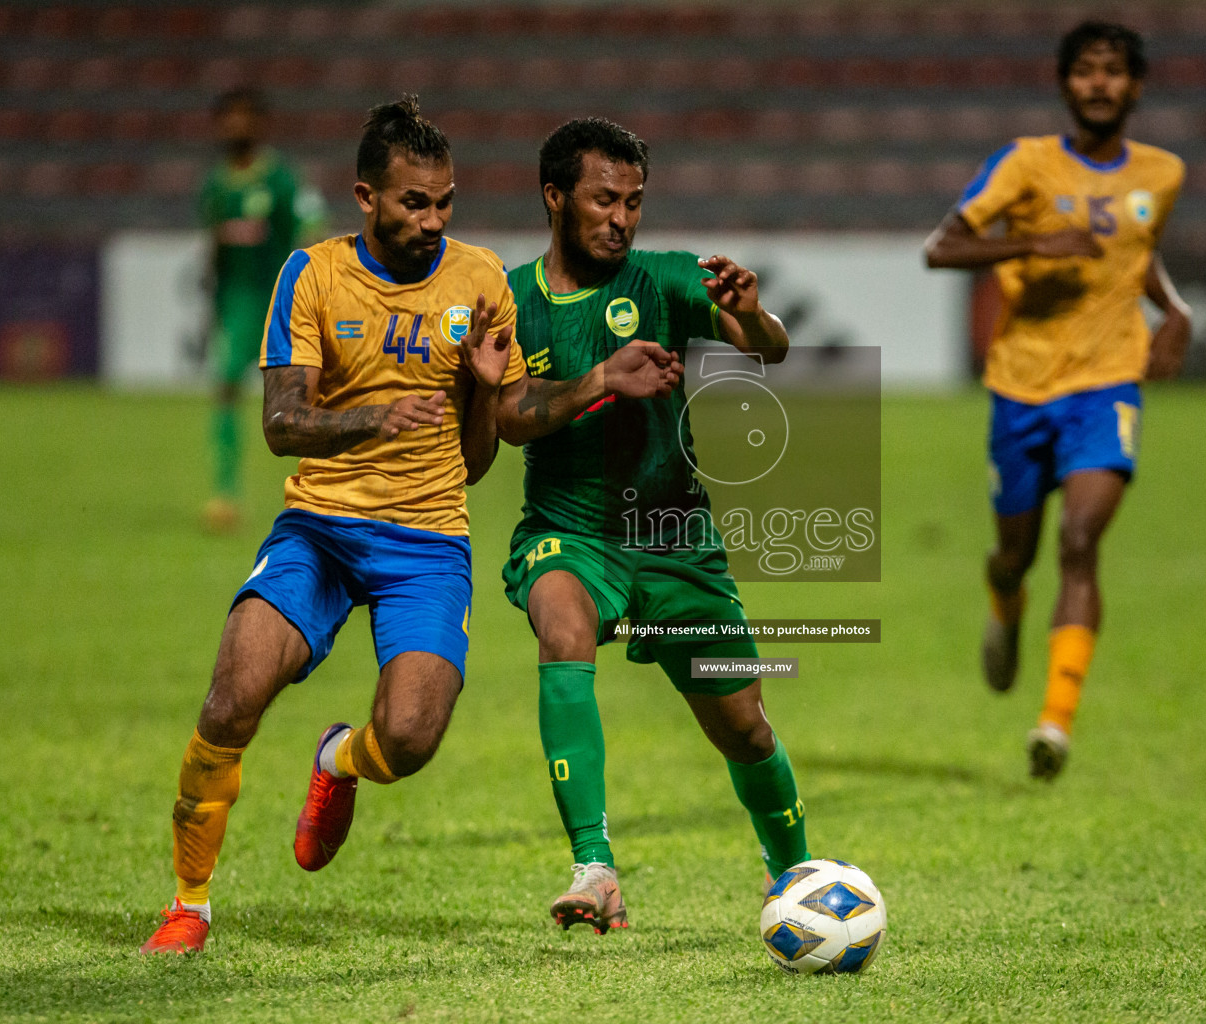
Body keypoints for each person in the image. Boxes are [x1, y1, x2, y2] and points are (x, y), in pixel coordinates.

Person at [140, 97, 677, 955]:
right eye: (413, 203)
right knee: (232, 697)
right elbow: (282, 423)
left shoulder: (478, 284)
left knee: (413, 737)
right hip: (317, 527)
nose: (432, 220)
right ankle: (189, 904)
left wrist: (477, 387)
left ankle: (336, 763)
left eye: (445, 202)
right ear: (365, 197)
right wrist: (372, 418)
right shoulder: (311, 275)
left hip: (427, 541)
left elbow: (475, 461)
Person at [496, 117, 809, 933]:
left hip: (674, 542)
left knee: (744, 727)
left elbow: (768, 350)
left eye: (634, 202)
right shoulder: (513, 299)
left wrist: (751, 312)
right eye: (605, 200)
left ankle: (794, 874)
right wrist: (600, 379)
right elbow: (510, 417)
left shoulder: (667, 280)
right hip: (569, 532)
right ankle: (594, 867)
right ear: (554, 197)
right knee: (559, 624)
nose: (622, 219)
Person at [923, 21, 1193, 780]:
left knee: (1080, 542)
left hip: (1107, 382)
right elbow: (941, 247)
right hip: (1020, 386)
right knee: (1016, 555)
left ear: (1134, 86)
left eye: (1113, 71)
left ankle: (1054, 723)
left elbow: (1136, 256)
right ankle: (1003, 601)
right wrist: (1028, 244)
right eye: (1085, 71)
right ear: (1065, 83)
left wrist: (1176, 310)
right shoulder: (1025, 164)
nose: (1099, 83)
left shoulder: (1161, 173)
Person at [199, 86, 325, 533]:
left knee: (307, 397)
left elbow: (310, 225)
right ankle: (225, 492)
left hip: (281, 305)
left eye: (244, 116)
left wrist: (309, 290)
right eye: (228, 117)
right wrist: (209, 304)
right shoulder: (215, 184)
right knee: (227, 390)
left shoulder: (280, 179)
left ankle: (322, 495)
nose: (236, 125)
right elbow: (213, 247)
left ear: (259, 123)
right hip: (236, 305)